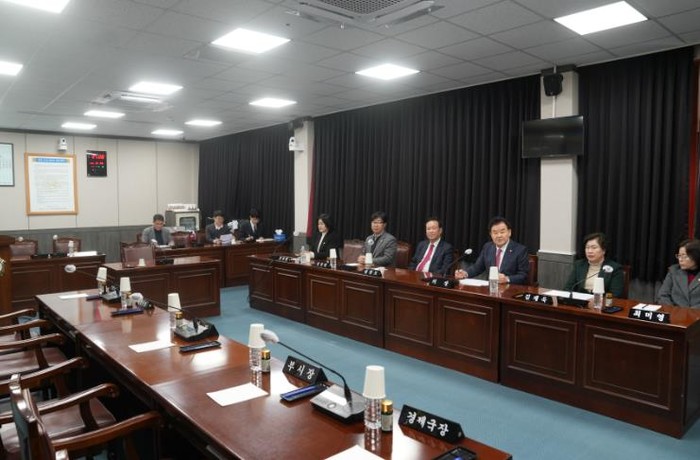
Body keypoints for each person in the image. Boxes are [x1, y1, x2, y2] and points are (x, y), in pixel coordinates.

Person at [455, 216, 529, 284]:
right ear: (490, 234)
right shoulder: (487, 247)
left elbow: (523, 275)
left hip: (511, 289)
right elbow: (477, 267)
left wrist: (507, 279)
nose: (499, 235)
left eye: (502, 232)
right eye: (495, 233)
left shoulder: (520, 250)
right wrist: (465, 273)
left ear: (509, 232)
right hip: (490, 288)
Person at [563, 232, 625, 297]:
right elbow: (568, 288)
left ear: (603, 250)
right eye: (587, 247)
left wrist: (597, 300)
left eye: (594, 247)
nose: (589, 251)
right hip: (580, 301)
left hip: (601, 302)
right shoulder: (579, 265)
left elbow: (615, 294)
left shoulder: (615, 268)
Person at [657, 239, 700, 307]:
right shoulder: (673, 271)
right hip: (674, 312)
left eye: (684, 256)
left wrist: (691, 312)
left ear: (696, 256)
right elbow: (663, 296)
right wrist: (674, 311)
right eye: (679, 256)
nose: (680, 259)